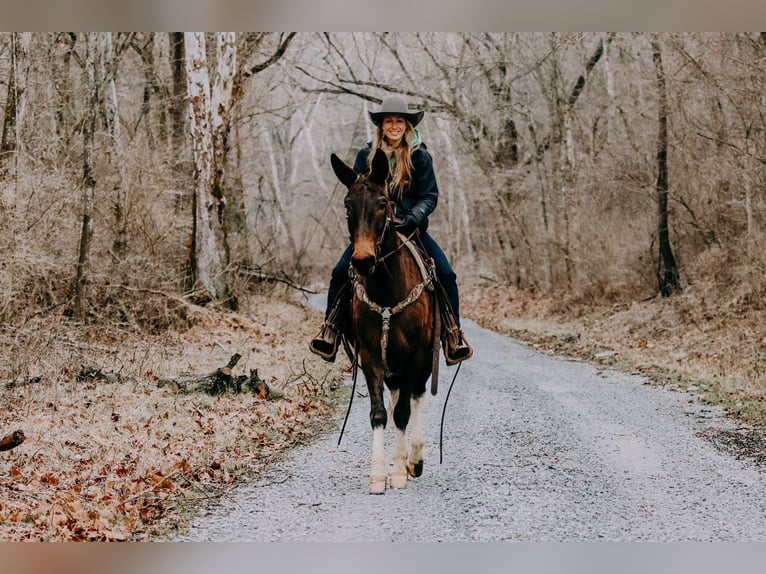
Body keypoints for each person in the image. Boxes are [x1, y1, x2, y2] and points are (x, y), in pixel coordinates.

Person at [310, 95, 472, 365]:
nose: (394, 126)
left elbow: (429, 196)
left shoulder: (420, 156)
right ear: (381, 126)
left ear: (407, 125)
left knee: (446, 273)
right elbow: (360, 192)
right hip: (373, 231)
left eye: (399, 121)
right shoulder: (366, 155)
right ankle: (330, 331)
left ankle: (453, 336)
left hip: (410, 229)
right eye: (389, 121)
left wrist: (413, 216)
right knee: (340, 272)